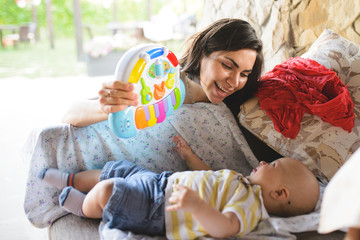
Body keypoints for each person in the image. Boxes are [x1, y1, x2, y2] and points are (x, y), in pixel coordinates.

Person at [39, 135, 319, 239]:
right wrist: (189, 156)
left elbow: (225, 228)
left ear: (279, 194)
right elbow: (210, 175)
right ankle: (72, 180)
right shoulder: (241, 181)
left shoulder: (251, 208)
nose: (263, 160)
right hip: (160, 182)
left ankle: (83, 208)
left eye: (273, 166)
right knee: (119, 167)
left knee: (110, 190)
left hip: (159, 210)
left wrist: (195, 206)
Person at [62, 18, 264, 127]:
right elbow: (70, 114)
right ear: (203, 53)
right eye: (228, 66)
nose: (234, 81)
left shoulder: (242, 107)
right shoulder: (161, 81)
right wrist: (108, 107)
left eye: (244, 74)